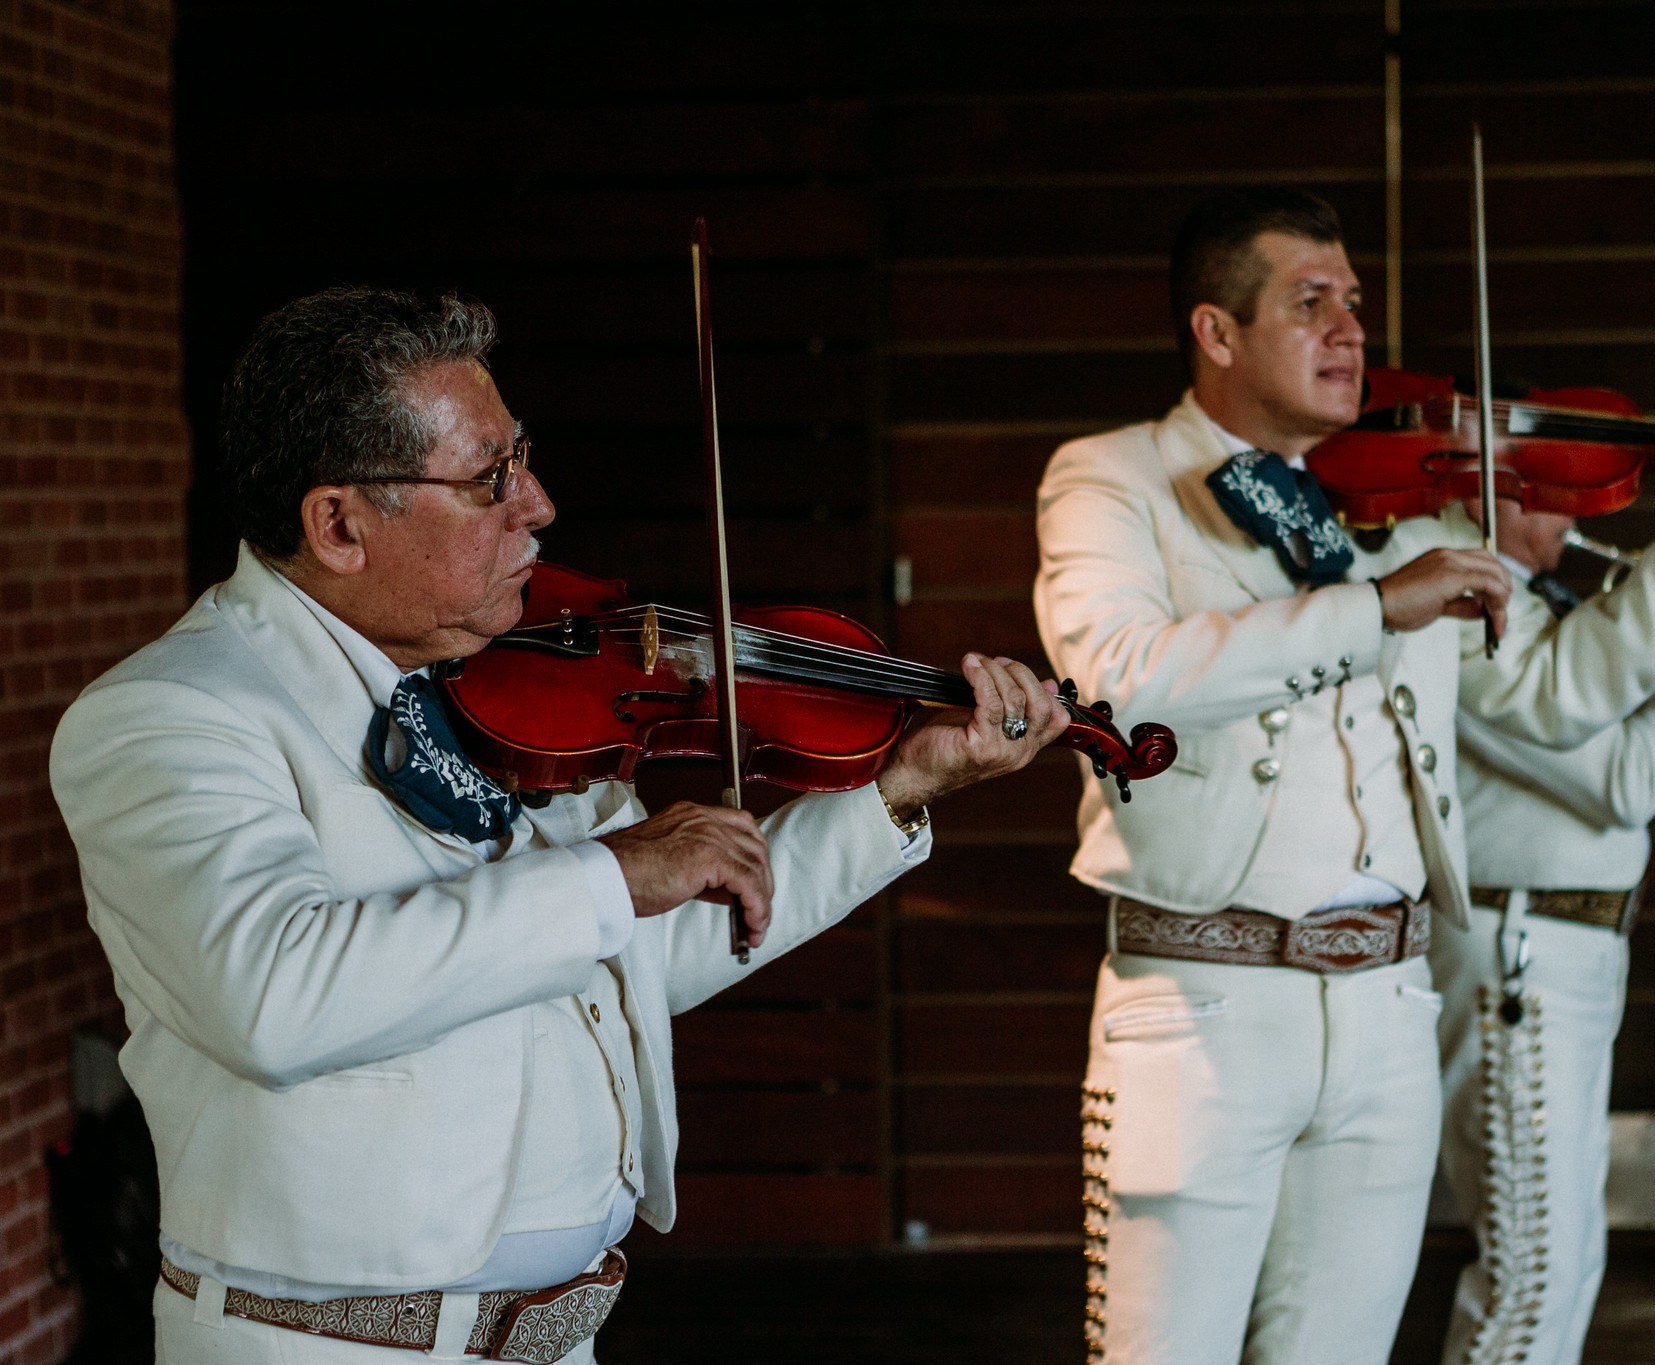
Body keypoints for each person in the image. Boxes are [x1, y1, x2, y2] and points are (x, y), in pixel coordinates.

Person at [49, 287, 1071, 1365]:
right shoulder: (175, 715)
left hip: (555, 1340)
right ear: (339, 524)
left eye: (521, 457)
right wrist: (610, 871)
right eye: (489, 477)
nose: (535, 504)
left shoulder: (515, 686)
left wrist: (895, 791)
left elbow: (628, 957)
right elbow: (272, 998)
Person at [1032, 187, 1655, 1365]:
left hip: (1385, 1008)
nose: (1349, 332)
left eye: (1356, 305)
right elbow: (1118, 678)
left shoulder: (1389, 514)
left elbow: (1552, 697)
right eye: (1308, 302)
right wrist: (1374, 605)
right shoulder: (1111, 477)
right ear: (1215, 333)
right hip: (1203, 1006)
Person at [1432, 499, 1655, 1365]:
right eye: (1557, 486)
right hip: (1521, 949)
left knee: (1568, 1259)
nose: (1582, 507)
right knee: (1530, 1271)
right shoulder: (1471, 618)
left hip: (1567, 947)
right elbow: (1626, 779)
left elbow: (1619, 736)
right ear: (1493, 495)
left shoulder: (1547, 609)